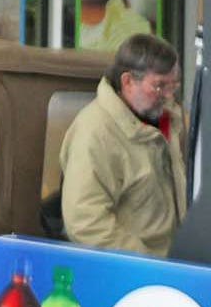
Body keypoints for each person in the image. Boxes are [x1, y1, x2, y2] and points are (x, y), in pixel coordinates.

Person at [59, 33, 186, 256]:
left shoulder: (170, 121)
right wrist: (146, 262)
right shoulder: (95, 132)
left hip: (172, 265)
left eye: (173, 87)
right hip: (131, 272)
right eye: (159, 86)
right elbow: (85, 221)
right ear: (128, 82)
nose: (167, 96)